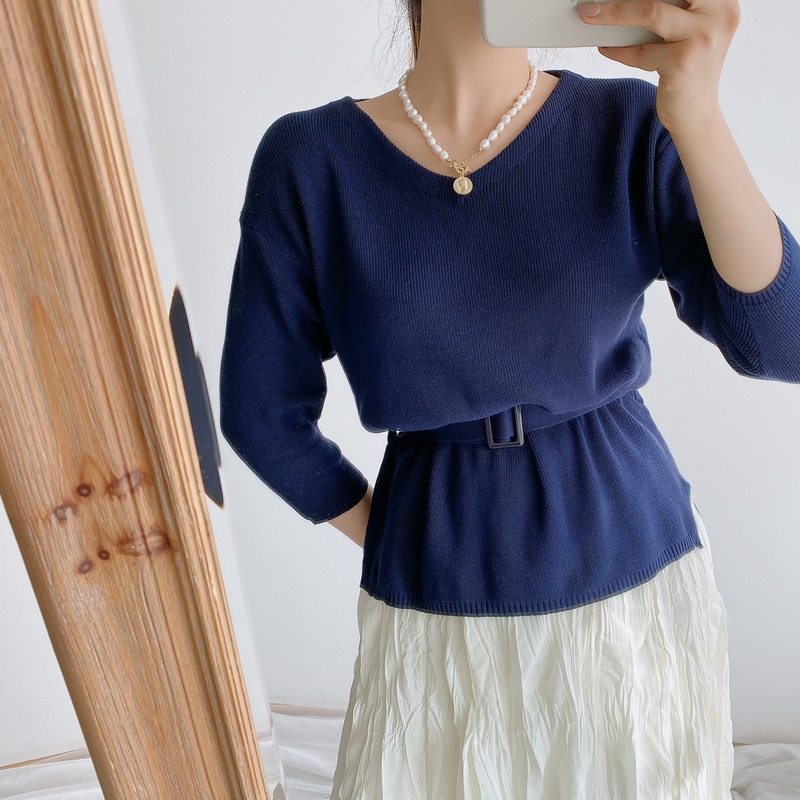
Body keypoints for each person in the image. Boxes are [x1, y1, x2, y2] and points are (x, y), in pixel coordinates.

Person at [218, 0, 800, 796]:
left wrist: (697, 116)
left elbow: (782, 344)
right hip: (434, 589)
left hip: (631, 575)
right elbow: (260, 413)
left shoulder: (631, 126)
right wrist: (394, 534)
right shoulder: (313, 161)